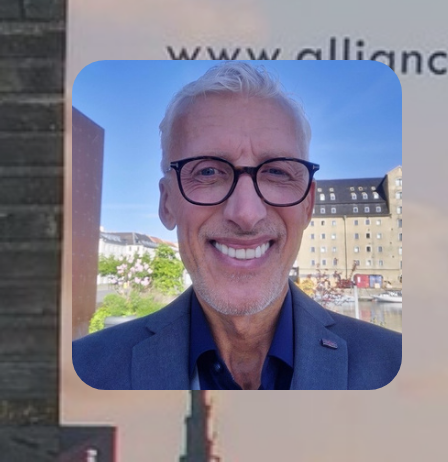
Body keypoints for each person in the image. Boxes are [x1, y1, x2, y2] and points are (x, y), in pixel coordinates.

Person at [73, 62, 400, 389]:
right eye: (207, 172)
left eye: (277, 172)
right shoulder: (84, 373)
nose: (246, 213)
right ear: (167, 203)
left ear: (308, 205)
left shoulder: (395, 367)